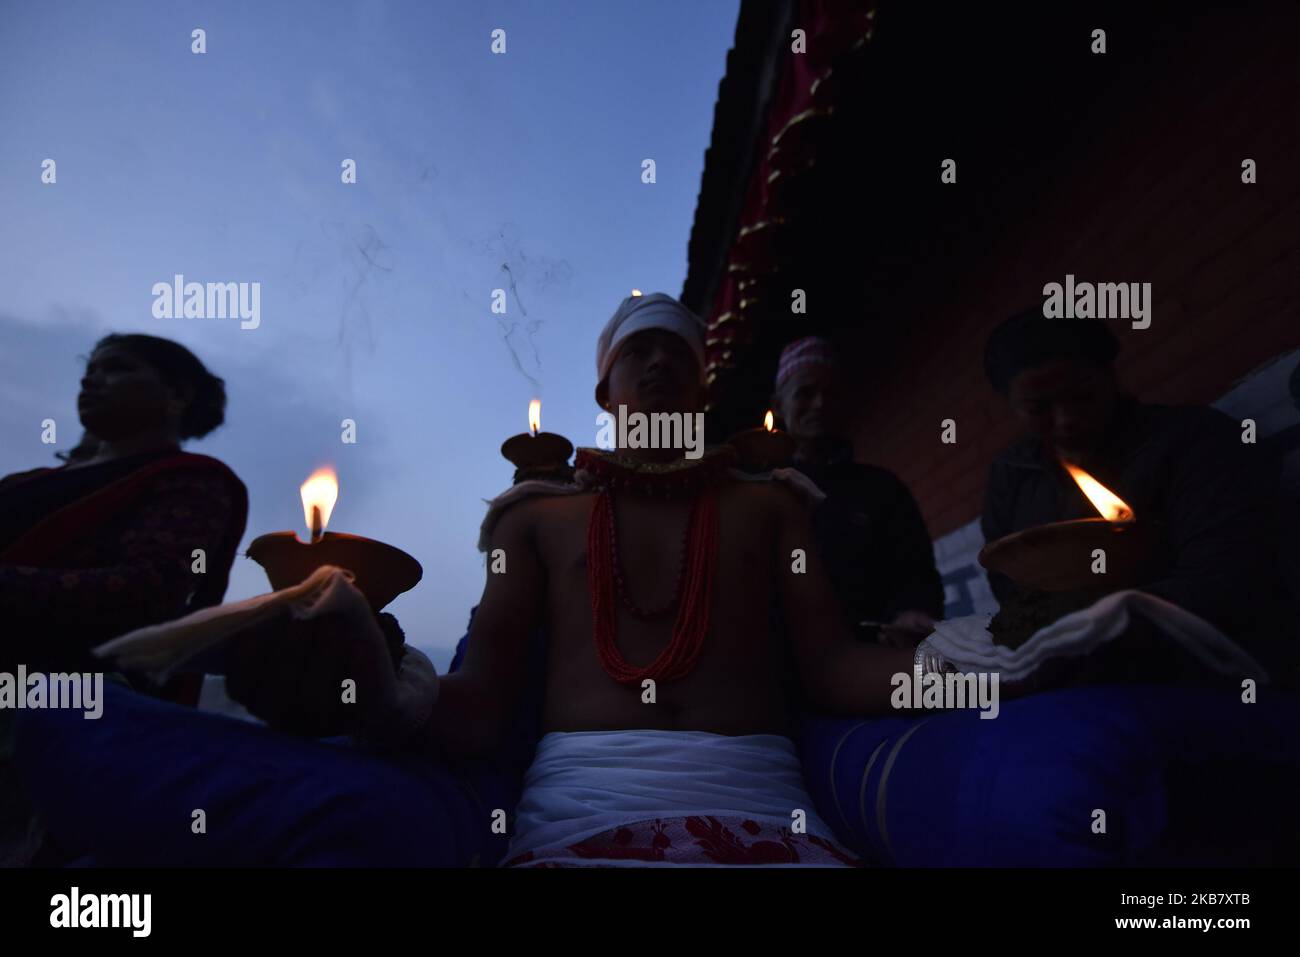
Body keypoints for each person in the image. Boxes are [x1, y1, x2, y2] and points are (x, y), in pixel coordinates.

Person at [225, 292, 962, 867]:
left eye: (678, 352)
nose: (658, 364)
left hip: (767, 811)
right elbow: (481, 703)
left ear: (705, 387)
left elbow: (834, 670)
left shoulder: (772, 505)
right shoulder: (535, 518)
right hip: (577, 818)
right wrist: (376, 685)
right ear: (605, 389)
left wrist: (987, 670)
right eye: (637, 351)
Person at [0, 333, 248, 864]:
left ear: (177, 394)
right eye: (88, 369)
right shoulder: (24, 484)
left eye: (118, 368)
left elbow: (148, 593)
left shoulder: (191, 481)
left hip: (64, 708)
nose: (92, 379)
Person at [980, 309, 1295, 679]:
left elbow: (1226, 582)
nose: (1065, 419)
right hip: (1071, 679)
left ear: (1111, 376)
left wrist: (1081, 616)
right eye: (1038, 408)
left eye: (1082, 396)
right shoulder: (1011, 476)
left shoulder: (1193, 442)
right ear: (1011, 406)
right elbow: (1009, 585)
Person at [772, 336, 944, 645]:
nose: (820, 404)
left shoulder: (882, 489)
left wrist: (911, 613)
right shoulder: (764, 494)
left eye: (830, 393)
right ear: (779, 407)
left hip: (881, 660)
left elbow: (916, 575)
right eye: (805, 393)